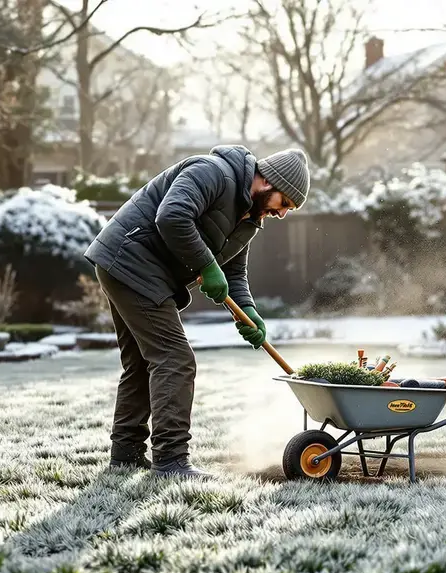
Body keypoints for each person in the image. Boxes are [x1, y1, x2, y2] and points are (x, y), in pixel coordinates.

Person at [84, 145, 310, 477]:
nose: (282, 213)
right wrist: (206, 264)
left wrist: (248, 311)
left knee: (142, 363)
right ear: (267, 182)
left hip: (137, 269)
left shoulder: (249, 219)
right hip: (131, 259)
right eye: (284, 203)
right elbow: (171, 216)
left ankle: (126, 455)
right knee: (174, 359)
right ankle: (171, 460)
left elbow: (234, 272)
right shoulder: (212, 171)